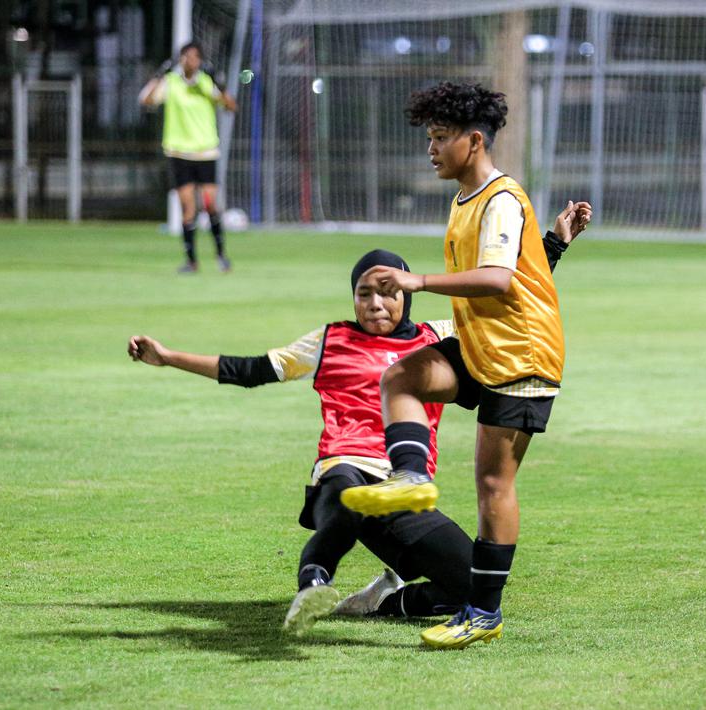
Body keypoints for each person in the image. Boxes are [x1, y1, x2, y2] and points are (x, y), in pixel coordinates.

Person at [126, 206, 588, 636]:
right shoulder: (330, 340)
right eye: (364, 294)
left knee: (475, 587)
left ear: (406, 292)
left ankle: (383, 600)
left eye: (387, 292)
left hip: (403, 487)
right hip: (344, 466)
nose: (376, 304)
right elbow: (248, 371)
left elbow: (503, 295)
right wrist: (168, 358)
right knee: (346, 496)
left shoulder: (438, 339)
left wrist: (555, 243)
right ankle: (313, 584)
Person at [341, 81, 567, 649]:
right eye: (429, 138)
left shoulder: (500, 197)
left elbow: (497, 279)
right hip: (485, 343)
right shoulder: (468, 198)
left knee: (494, 483)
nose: (431, 148)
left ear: (474, 140)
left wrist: (417, 281)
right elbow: (524, 275)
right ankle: (412, 475)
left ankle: (483, 614)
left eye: (440, 138)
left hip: (522, 356)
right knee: (403, 376)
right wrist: (555, 246)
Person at [139, 41, 238, 274]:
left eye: (193, 57)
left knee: (211, 204)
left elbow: (231, 106)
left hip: (205, 151)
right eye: (185, 57)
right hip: (179, 152)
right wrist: (158, 75)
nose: (189, 61)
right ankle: (191, 261)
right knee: (188, 208)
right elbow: (145, 100)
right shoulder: (171, 83)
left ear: (200, 61)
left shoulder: (206, 83)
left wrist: (221, 86)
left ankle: (221, 255)